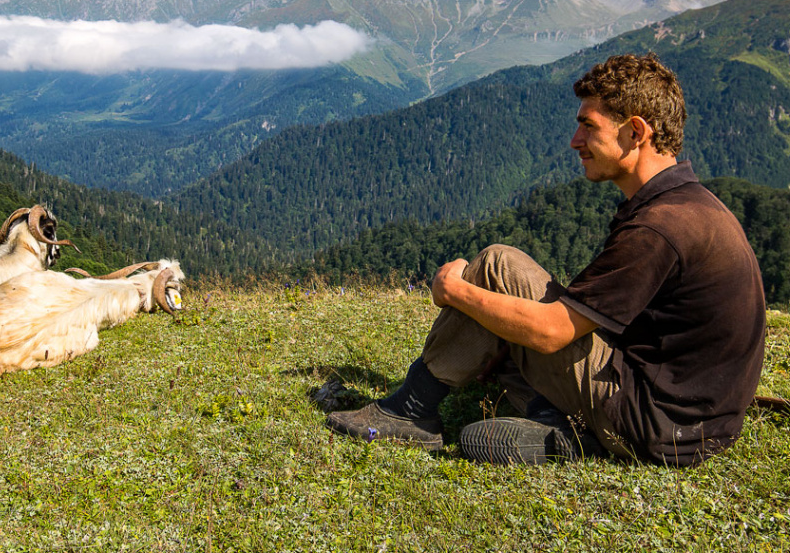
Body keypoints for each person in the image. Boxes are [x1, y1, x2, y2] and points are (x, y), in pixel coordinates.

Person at [326, 52, 767, 467]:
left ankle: (412, 410)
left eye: (588, 126)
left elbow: (552, 332)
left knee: (497, 266)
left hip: (652, 425)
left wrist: (456, 290)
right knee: (504, 337)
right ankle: (558, 424)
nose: (575, 141)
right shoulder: (688, 205)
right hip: (693, 424)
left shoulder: (660, 228)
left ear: (636, 132)